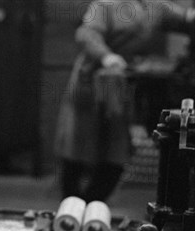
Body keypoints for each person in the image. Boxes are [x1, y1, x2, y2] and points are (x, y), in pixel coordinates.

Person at [55, 0, 195, 202]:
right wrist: (107, 56)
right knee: (78, 147)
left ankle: (94, 205)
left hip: (119, 85)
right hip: (92, 81)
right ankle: (71, 206)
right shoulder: (106, 5)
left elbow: (183, 18)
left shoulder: (153, 6)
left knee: (116, 150)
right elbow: (87, 34)